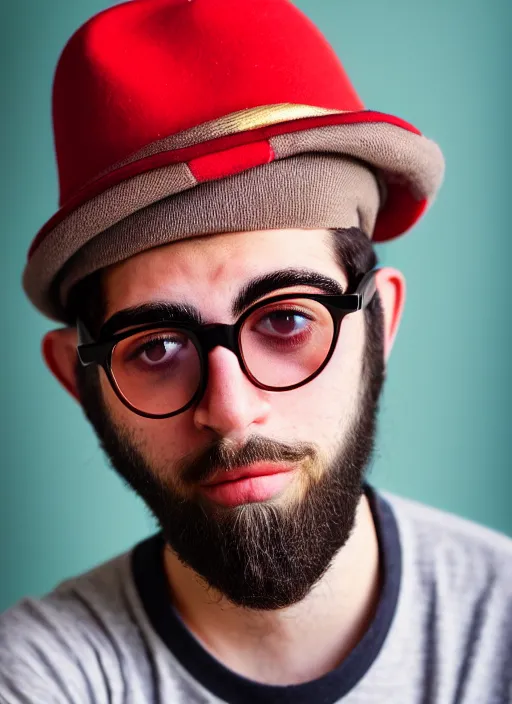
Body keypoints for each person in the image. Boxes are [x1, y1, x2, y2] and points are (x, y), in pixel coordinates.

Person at [1, 0, 511, 702]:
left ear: (380, 322)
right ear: (79, 382)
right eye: (156, 348)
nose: (232, 412)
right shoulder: (40, 675)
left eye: (286, 322)